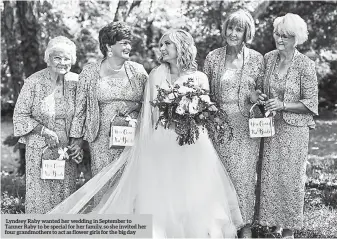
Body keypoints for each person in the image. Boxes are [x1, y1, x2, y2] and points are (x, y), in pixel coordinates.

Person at [49, 29, 244, 238]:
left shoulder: (200, 78)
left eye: (167, 44)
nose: (162, 49)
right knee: (164, 193)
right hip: (163, 142)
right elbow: (149, 115)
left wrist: (191, 115)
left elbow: (204, 112)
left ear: (181, 47)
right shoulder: (156, 74)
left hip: (193, 144)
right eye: (161, 44)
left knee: (194, 190)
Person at [69, 22, 148, 206]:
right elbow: (81, 107)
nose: (128, 47)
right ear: (108, 46)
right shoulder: (89, 71)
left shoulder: (137, 71)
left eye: (129, 42)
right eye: (123, 43)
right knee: (104, 183)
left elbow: (149, 102)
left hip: (132, 137)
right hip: (101, 139)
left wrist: (133, 104)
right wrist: (77, 138)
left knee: (131, 182)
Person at [203, 9, 264, 237]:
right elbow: (204, 93)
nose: (233, 33)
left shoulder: (257, 59)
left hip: (246, 127)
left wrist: (257, 98)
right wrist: (211, 116)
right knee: (219, 176)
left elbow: (262, 93)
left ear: (246, 32)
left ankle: (245, 226)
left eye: (239, 29)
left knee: (245, 178)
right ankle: (221, 226)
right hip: (218, 126)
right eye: (231, 27)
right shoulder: (212, 57)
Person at [258, 13, 318, 238]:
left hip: (295, 130)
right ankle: (274, 225)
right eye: (277, 34)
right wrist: (261, 97)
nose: (280, 39)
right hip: (271, 127)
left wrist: (283, 104)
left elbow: (311, 103)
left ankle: (289, 229)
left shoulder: (305, 64)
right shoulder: (268, 58)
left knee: (291, 178)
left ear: (297, 38)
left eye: (286, 36)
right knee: (271, 176)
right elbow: (260, 87)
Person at [13, 36, 80, 214]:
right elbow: (20, 116)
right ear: (48, 59)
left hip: (65, 150)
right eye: (57, 58)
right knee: (40, 198)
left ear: (72, 61)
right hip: (39, 148)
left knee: (65, 197)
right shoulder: (33, 82)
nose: (62, 62)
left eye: (67, 58)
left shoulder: (76, 82)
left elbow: (82, 115)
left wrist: (77, 143)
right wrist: (44, 131)